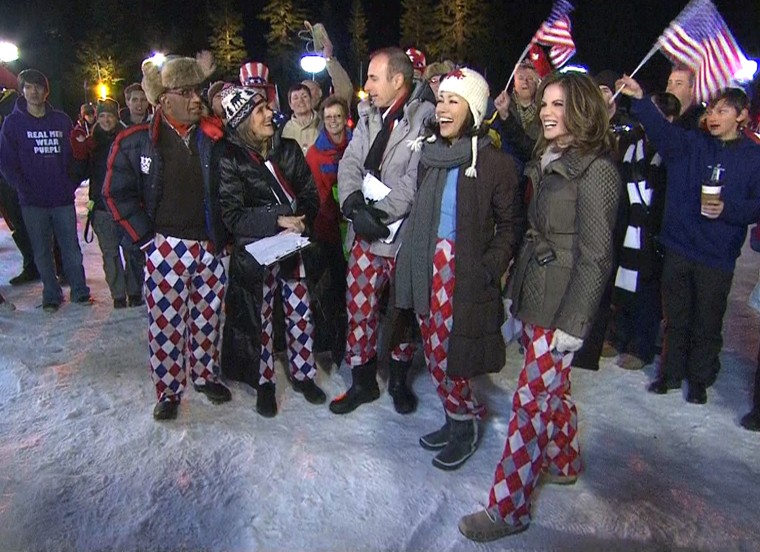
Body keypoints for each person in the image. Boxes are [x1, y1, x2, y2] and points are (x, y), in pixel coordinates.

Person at [458, 72, 621, 541]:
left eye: (557, 105)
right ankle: (564, 460)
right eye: (545, 104)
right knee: (553, 390)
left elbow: (596, 256)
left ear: (583, 111)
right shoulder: (550, 157)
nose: (547, 113)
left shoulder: (597, 170)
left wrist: (574, 323)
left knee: (530, 405)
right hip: (537, 293)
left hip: (563, 307)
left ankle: (507, 510)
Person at [395, 68, 522, 470]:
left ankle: (465, 424)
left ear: (475, 111)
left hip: (463, 273)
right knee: (433, 352)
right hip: (425, 266)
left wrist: (489, 267)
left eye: (455, 101)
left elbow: (511, 225)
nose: (444, 108)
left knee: (453, 354)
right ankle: (453, 419)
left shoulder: (494, 163)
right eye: (442, 99)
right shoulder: (429, 154)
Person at [103, 53, 231, 421]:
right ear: (163, 99)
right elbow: (116, 193)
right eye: (186, 92)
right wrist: (146, 241)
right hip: (164, 247)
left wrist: (223, 236)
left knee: (208, 320)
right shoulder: (135, 140)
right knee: (165, 326)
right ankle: (169, 390)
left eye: (199, 91)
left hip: (209, 248)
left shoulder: (212, 137)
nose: (197, 99)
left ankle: (205, 375)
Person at [618, 76, 760, 404]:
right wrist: (640, 100)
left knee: (707, 321)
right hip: (680, 245)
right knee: (676, 317)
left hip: (717, 255)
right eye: (711, 108)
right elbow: (661, 131)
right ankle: (670, 373)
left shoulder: (753, 157)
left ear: (741, 116)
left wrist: (728, 208)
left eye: (723, 110)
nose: (713, 115)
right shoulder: (691, 144)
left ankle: (699, 378)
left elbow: (756, 205)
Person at [330, 46, 435, 416]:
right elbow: (351, 160)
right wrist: (353, 205)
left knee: (402, 311)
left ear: (397, 80)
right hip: (365, 233)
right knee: (359, 308)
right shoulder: (368, 115)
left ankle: (400, 380)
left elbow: (416, 178)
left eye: (374, 78)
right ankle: (362, 383)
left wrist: (379, 213)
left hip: (402, 236)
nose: (367, 85)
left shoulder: (426, 117)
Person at [217, 86, 322, 417]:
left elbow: (309, 193)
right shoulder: (228, 157)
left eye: (266, 107)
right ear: (242, 120)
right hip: (256, 251)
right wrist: (276, 219)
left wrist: (302, 219)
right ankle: (263, 383)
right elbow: (232, 214)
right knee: (259, 319)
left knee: (300, 312)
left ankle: (304, 375)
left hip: (294, 245)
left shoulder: (288, 148)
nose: (268, 114)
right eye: (259, 110)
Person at [0, 69, 91, 312]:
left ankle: (79, 290)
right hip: (32, 202)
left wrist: (69, 182)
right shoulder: (13, 123)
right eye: (29, 87)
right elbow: (7, 162)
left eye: (38, 87)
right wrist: (22, 188)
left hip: (61, 198)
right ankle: (51, 294)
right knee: (42, 252)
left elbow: (74, 154)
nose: (34, 92)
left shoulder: (61, 120)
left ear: (46, 90)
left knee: (71, 248)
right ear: (22, 91)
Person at [70, 98, 145, 309]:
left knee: (132, 252)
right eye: (102, 115)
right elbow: (80, 173)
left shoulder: (128, 138)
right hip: (102, 207)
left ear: (116, 116)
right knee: (110, 254)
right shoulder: (93, 142)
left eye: (109, 115)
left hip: (127, 206)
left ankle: (134, 290)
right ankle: (118, 294)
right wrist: (79, 154)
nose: (106, 120)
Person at [304, 95, 352, 364]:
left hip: (356, 228)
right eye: (329, 117)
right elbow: (317, 195)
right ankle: (335, 340)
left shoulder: (359, 143)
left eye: (338, 116)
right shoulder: (315, 153)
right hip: (330, 230)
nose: (333, 122)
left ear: (345, 118)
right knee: (334, 287)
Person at [281, 83, 319, 154]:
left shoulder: (323, 124)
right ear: (290, 104)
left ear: (311, 100)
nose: (300, 101)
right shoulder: (285, 129)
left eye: (304, 96)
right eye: (295, 98)